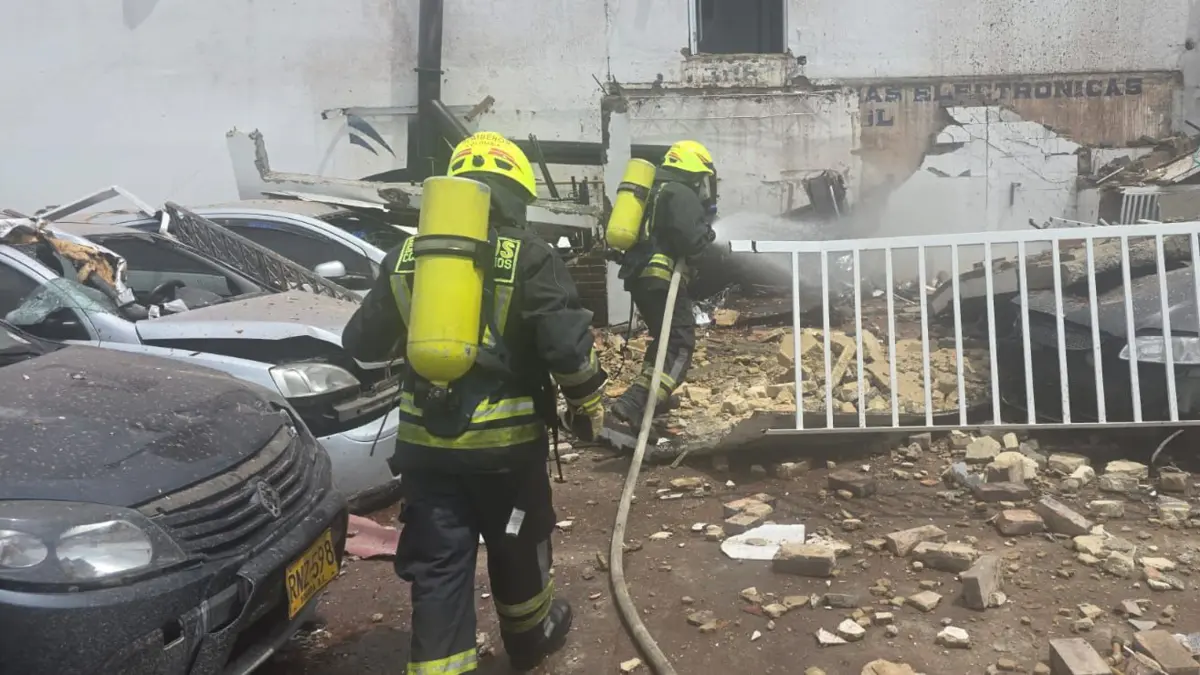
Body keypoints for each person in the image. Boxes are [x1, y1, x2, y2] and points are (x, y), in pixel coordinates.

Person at [342, 131, 608, 674]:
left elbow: (360, 343)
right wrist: (588, 404)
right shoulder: (529, 255)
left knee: (439, 565)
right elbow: (566, 349)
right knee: (517, 541)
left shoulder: (407, 257)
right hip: (506, 456)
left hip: (427, 454)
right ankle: (529, 639)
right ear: (515, 196)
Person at [609, 140, 717, 430]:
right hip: (661, 278)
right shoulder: (680, 192)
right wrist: (707, 235)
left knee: (664, 340)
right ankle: (636, 401)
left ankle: (652, 399)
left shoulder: (652, 189)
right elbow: (691, 242)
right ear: (695, 171)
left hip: (639, 278)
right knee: (680, 343)